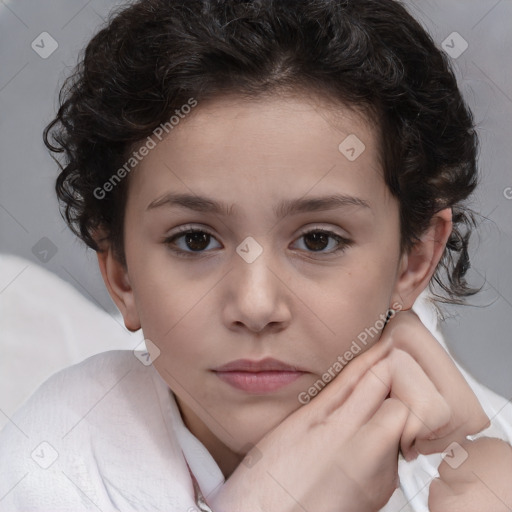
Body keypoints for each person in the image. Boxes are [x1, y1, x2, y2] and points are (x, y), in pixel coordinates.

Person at [1, 0, 511, 510]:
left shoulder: (485, 471)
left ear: (414, 259)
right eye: (195, 240)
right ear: (121, 273)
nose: (256, 305)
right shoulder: (47, 475)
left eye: (318, 240)